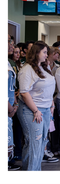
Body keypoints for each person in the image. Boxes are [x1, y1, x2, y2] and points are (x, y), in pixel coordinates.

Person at [17, 42, 56, 171]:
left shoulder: (43, 67)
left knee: (41, 143)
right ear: (36, 53)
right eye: (44, 52)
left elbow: (48, 87)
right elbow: (24, 92)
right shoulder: (27, 70)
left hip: (45, 110)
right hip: (32, 110)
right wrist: (36, 110)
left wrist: (51, 104)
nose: (47, 55)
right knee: (35, 143)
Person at [8, 36, 20, 170]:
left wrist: (15, 103)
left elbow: (11, 87)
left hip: (11, 106)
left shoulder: (9, 62)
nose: (12, 44)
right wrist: (10, 108)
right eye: (8, 42)